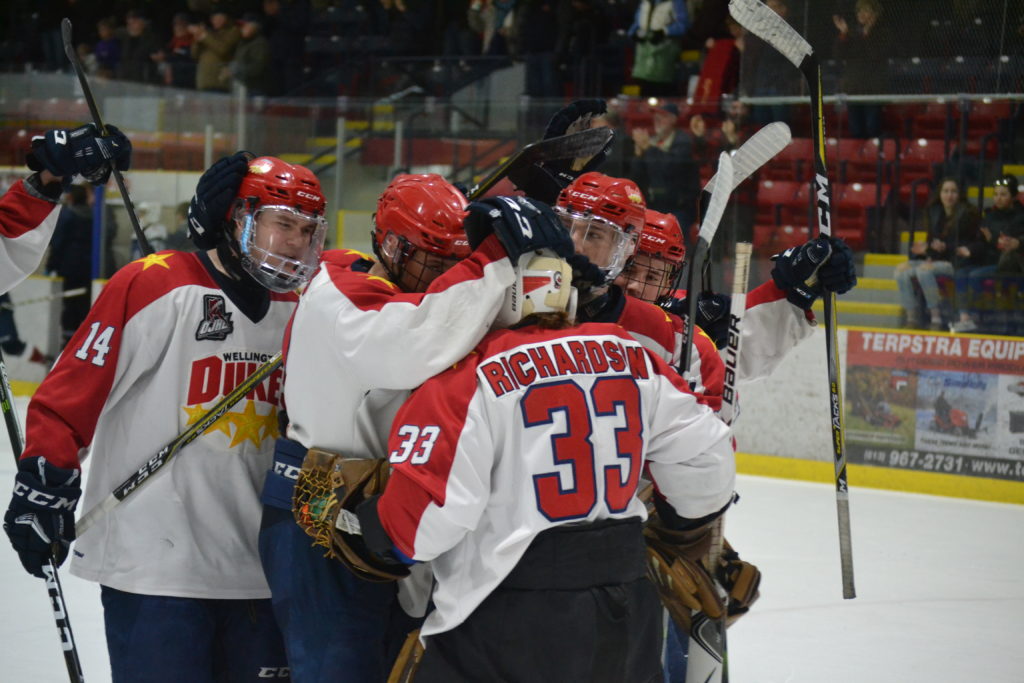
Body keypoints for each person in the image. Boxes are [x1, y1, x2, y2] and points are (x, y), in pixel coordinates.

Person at [3, 153, 328, 682]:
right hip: (153, 570)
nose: (295, 242)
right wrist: (46, 479)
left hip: (263, 573)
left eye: (306, 230)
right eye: (283, 224)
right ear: (237, 218)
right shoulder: (155, 285)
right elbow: (70, 394)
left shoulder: (309, 307)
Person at [345, 246, 735, 682]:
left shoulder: (464, 378)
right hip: (626, 598)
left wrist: (370, 526)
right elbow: (709, 462)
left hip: (506, 613)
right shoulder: (632, 354)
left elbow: (423, 529)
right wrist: (674, 528)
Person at [261, 175, 575, 681]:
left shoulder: (425, 292)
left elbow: (472, 314)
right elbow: (422, 336)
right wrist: (496, 253)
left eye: (455, 259)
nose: (445, 273)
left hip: (391, 509)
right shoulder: (340, 293)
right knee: (339, 670)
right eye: (434, 258)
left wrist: (530, 223)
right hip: (320, 511)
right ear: (388, 244)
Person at [1, 123, 131, 294]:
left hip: (74, 268)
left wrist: (52, 174)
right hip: (85, 269)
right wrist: (51, 177)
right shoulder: (90, 214)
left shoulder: (75, 214)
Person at [895, 177, 980, 330]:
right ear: (939, 194)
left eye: (953, 191)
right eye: (946, 191)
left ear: (960, 194)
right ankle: (911, 316)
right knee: (901, 270)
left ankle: (936, 317)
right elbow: (932, 244)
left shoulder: (968, 214)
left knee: (923, 271)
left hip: (955, 261)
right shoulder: (934, 213)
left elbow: (969, 244)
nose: (949, 195)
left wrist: (945, 247)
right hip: (936, 259)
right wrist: (923, 252)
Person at [950, 174, 1022, 332]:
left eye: (1003, 194)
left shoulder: (1020, 217)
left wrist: (993, 239)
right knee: (962, 272)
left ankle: (980, 320)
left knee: (977, 275)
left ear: (1014, 196)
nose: (998, 198)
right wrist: (970, 250)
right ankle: (965, 319)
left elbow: (1007, 242)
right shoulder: (989, 215)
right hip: (987, 260)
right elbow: (981, 240)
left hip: (1007, 263)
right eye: (996, 194)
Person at [630, 102, 706, 244]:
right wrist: (639, 155)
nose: (657, 120)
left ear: (673, 119)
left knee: (674, 246)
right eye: (655, 116)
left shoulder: (683, 142)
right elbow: (638, 177)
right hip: (654, 204)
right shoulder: (652, 142)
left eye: (662, 116)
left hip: (678, 207)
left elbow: (670, 169)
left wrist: (647, 149)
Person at [46, 184, 94, 348]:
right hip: (90, 268)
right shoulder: (94, 215)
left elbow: (58, 242)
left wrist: (51, 264)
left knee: (70, 306)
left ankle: (68, 343)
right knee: (85, 306)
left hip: (71, 266)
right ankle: (84, 342)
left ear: (71, 197)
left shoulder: (68, 215)